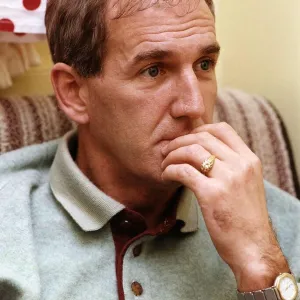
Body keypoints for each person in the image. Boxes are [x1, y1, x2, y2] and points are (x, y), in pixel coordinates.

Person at [0, 0, 300, 299]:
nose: (194, 106)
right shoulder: (10, 218)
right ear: (74, 92)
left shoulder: (278, 229)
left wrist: (260, 264)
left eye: (204, 64)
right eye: (153, 70)